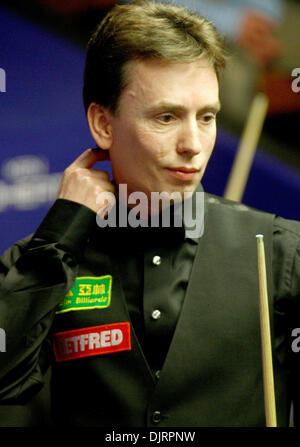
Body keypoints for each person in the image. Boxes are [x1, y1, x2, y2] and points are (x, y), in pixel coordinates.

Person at [0, 0, 300, 427]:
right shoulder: (43, 262)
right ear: (104, 124)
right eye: (166, 116)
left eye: (207, 117)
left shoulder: (282, 255)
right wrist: (60, 234)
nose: (193, 144)